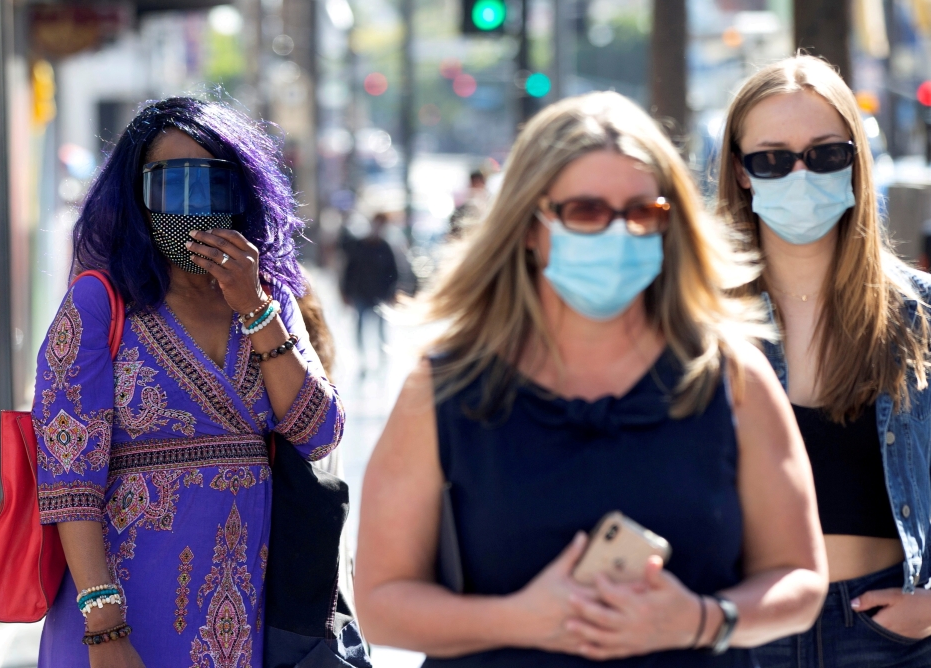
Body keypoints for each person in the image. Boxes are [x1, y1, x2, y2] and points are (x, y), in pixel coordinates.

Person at [354, 91, 827, 666]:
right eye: (586, 211)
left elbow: (800, 578)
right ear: (530, 227)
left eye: (642, 213)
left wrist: (701, 620)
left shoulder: (731, 376)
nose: (618, 233)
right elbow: (380, 601)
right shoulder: (445, 388)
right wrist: (520, 620)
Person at [34, 97, 344, 667]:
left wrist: (253, 307)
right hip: (121, 616)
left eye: (212, 183)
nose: (193, 205)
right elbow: (68, 480)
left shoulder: (269, 299)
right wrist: (104, 630)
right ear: (137, 197)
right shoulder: (99, 304)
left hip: (243, 617)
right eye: (170, 184)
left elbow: (319, 433)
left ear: (242, 194)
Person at [716, 55, 931, 665]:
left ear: (856, 161)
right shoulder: (695, 320)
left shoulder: (921, 315)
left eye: (825, 153)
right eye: (773, 158)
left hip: (890, 633)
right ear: (741, 172)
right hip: (745, 627)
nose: (800, 173)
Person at [340, 212, 399, 359]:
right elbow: (350, 270)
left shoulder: (386, 247)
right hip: (362, 293)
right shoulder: (360, 245)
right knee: (360, 327)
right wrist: (345, 292)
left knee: (381, 329)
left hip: (380, 295)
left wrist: (392, 293)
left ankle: (382, 356)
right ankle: (362, 357)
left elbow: (394, 273)